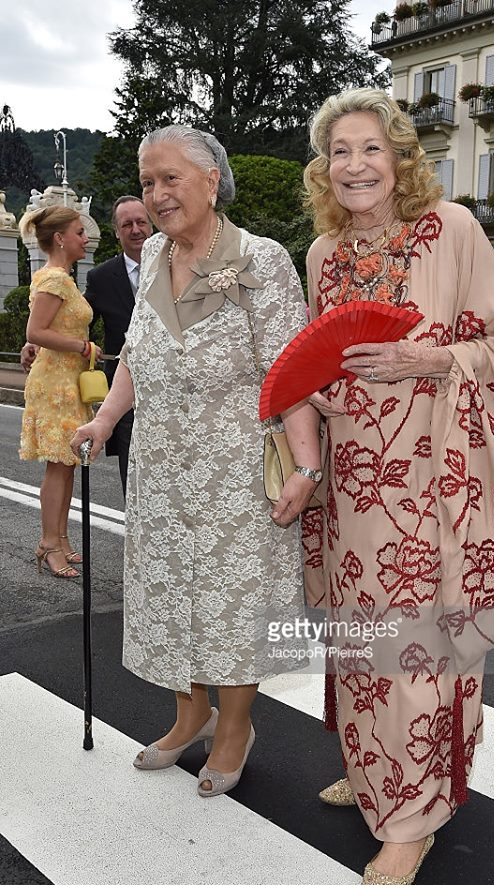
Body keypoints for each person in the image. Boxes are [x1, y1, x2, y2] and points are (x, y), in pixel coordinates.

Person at [302, 89, 494, 885]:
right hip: (351, 485)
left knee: (417, 648)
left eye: (371, 148)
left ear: (401, 159)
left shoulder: (454, 229)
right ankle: (374, 776)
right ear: (325, 169)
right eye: (340, 152)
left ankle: (411, 819)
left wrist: (428, 361)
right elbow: (313, 357)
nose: (356, 165)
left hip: (436, 482)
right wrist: (318, 395)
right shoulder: (324, 254)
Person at [71, 125, 320, 797]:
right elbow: (136, 355)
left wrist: (306, 469)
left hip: (234, 468)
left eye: (169, 178)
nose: (155, 194)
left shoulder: (261, 259)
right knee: (171, 598)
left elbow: (290, 372)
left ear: (211, 180)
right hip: (160, 466)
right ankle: (191, 717)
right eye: (148, 182)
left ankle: (235, 728)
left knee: (232, 604)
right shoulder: (152, 252)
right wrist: (104, 418)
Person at [21, 196, 154, 497]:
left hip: (172, 384)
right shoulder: (101, 276)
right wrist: (33, 340)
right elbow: (74, 317)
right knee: (129, 470)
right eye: (126, 224)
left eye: (141, 222)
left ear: (151, 225)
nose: (135, 230)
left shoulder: (177, 265)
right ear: (116, 232)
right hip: (124, 387)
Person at [18, 206, 101, 578]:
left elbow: (40, 331)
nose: (86, 239)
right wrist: (82, 347)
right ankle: (50, 544)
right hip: (56, 384)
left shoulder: (58, 278)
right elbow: (36, 332)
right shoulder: (55, 279)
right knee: (58, 465)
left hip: (66, 381)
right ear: (60, 239)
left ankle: (61, 538)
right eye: (79, 232)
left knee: (66, 463)